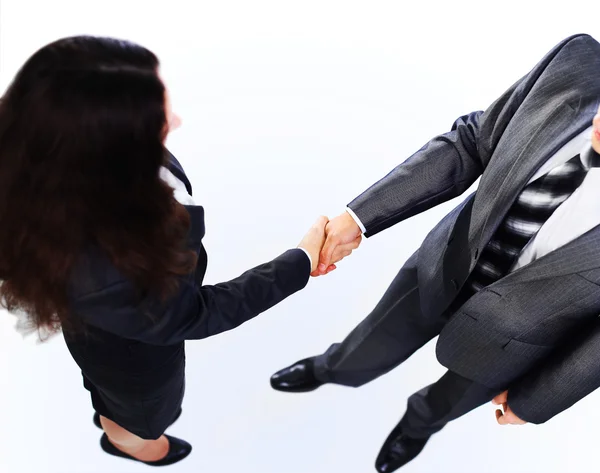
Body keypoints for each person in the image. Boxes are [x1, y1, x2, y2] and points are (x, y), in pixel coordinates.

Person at [0, 35, 360, 466]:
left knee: (111, 392)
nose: (178, 120)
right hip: (135, 362)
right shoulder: (105, 268)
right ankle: (130, 445)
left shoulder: (68, 164)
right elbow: (193, 315)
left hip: (109, 327)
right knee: (144, 418)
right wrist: (300, 260)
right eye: (158, 117)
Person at [271, 33, 600, 472]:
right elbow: (473, 142)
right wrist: (361, 217)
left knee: (445, 402)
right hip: (443, 265)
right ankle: (331, 369)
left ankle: (416, 429)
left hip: (516, 340)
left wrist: (535, 401)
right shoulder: (576, 62)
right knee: (373, 338)